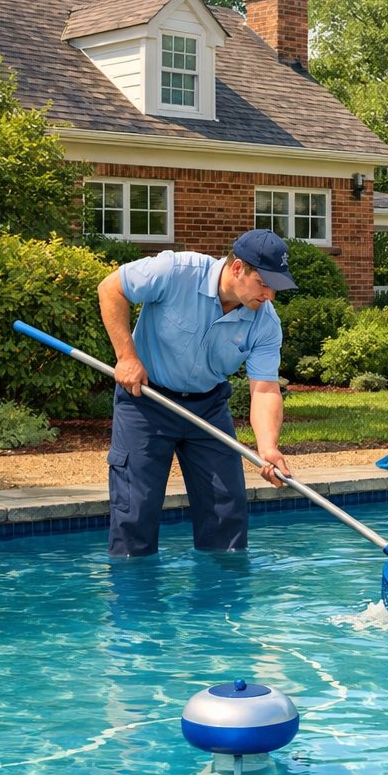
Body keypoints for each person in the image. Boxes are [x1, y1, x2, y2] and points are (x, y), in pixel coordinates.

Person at [97, 228, 295, 557]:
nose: (270, 296)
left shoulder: (265, 323)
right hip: (147, 402)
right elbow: (110, 288)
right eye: (264, 284)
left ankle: (221, 603)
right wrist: (127, 357)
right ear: (237, 268)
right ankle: (134, 604)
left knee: (226, 512)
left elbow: (264, 388)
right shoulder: (176, 272)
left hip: (208, 408)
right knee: (135, 511)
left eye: (276, 287)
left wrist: (268, 447)